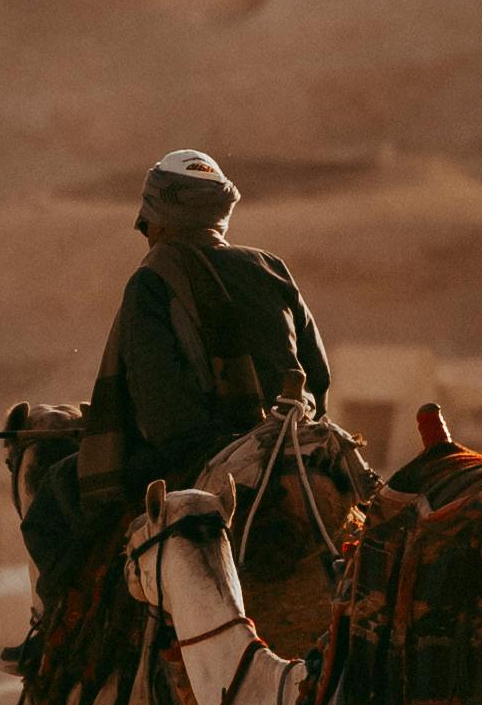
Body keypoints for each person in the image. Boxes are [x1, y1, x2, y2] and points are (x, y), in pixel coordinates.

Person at [73, 148, 331, 532]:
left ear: (160, 222)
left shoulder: (153, 279)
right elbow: (319, 378)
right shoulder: (270, 267)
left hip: (196, 458)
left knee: (56, 496)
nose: (146, 234)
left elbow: (162, 407)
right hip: (291, 445)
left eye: (146, 223)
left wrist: (213, 449)